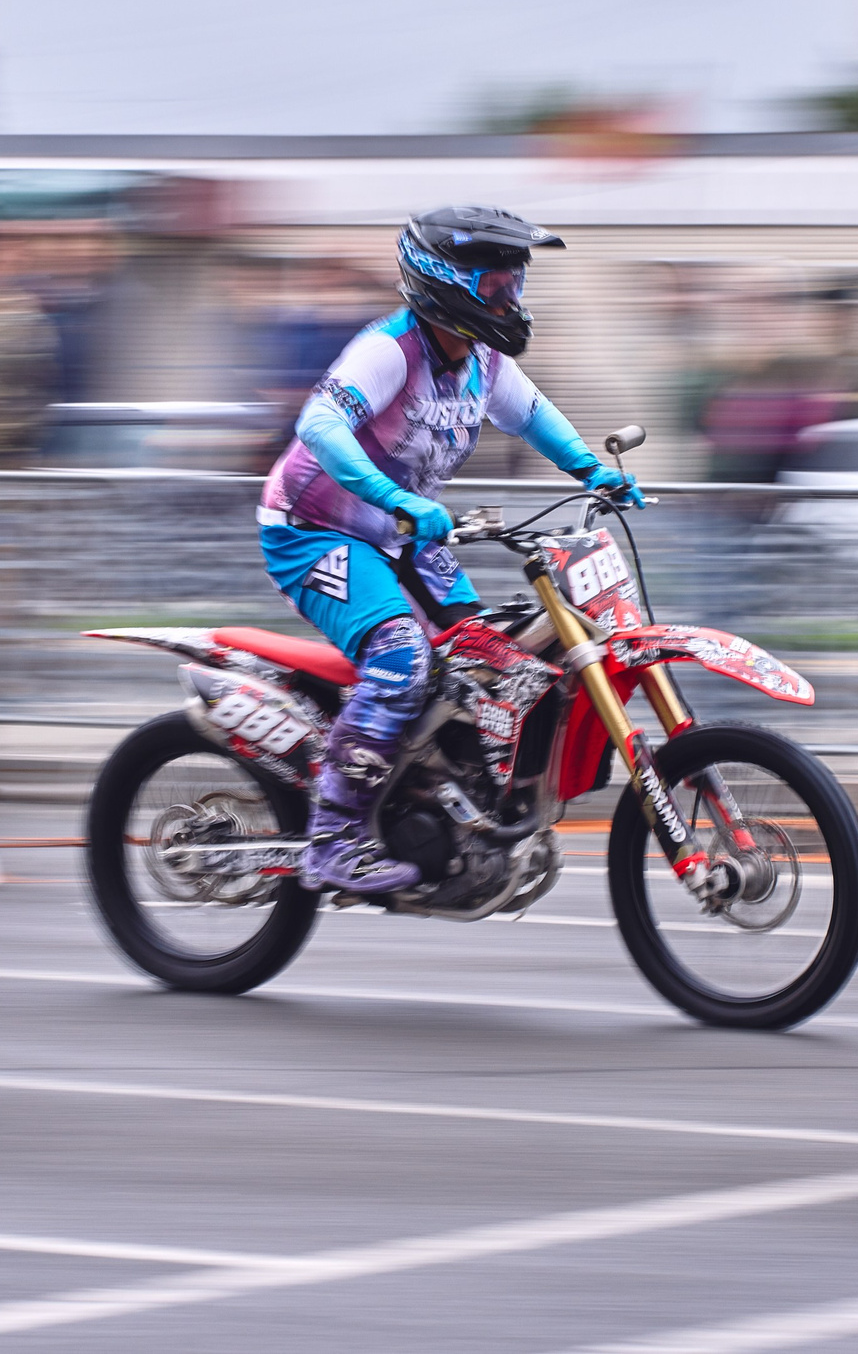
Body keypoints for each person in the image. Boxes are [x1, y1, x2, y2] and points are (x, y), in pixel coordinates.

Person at [258, 205, 645, 893]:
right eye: (495, 286)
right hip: (313, 530)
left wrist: (592, 471)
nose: (510, 301)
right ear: (445, 282)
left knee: (487, 659)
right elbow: (319, 425)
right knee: (402, 660)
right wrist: (397, 498)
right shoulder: (391, 350)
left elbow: (532, 416)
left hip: (402, 533)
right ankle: (333, 839)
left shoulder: (483, 361)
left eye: (515, 286)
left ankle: (442, 802)